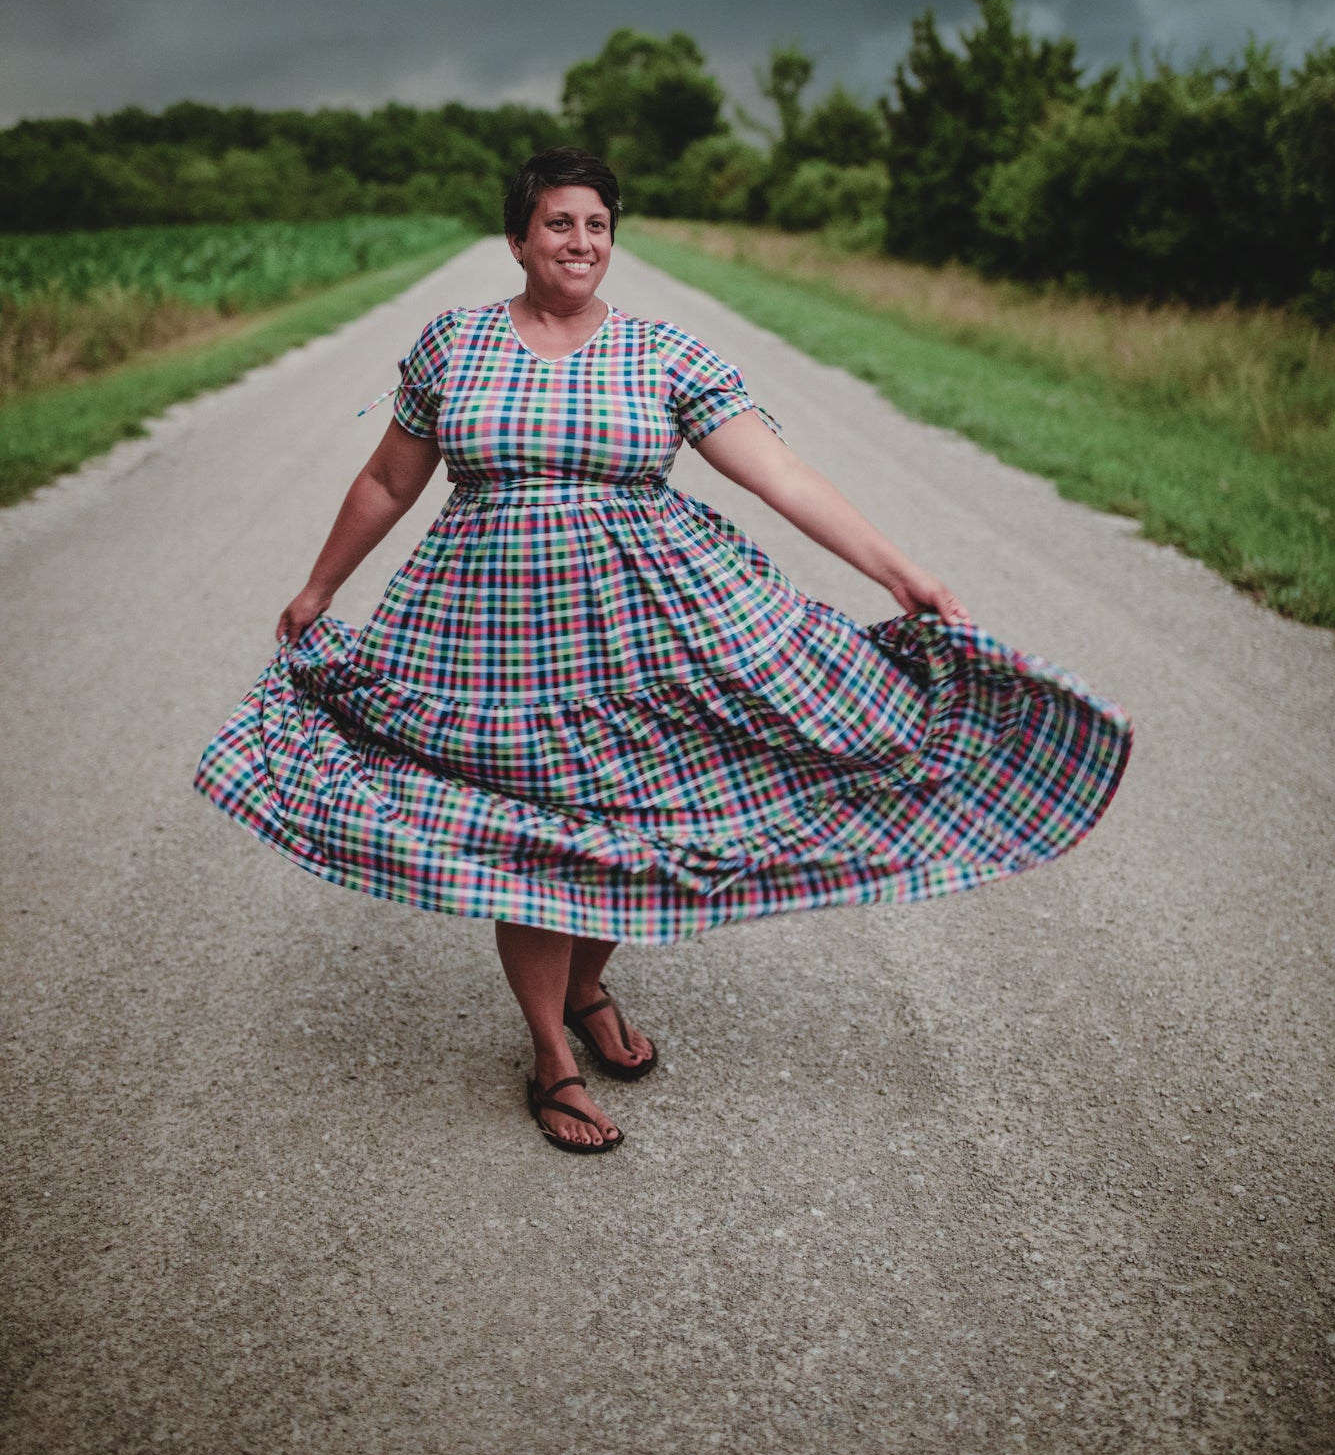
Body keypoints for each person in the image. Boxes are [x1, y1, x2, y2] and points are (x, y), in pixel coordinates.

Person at [195, 147, 1131, 1154]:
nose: (581, 242)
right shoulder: (453, 345)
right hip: (491, 643)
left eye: (598, 224)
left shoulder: (663, 352)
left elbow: (780, 472)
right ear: (518, 237)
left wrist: (898, 573)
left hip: (649, 629)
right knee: (533, 835)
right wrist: (321, 583)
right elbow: (387, 477)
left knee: (628, 817)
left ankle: (589, 986)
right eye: (559, 223)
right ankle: (552, 1054)